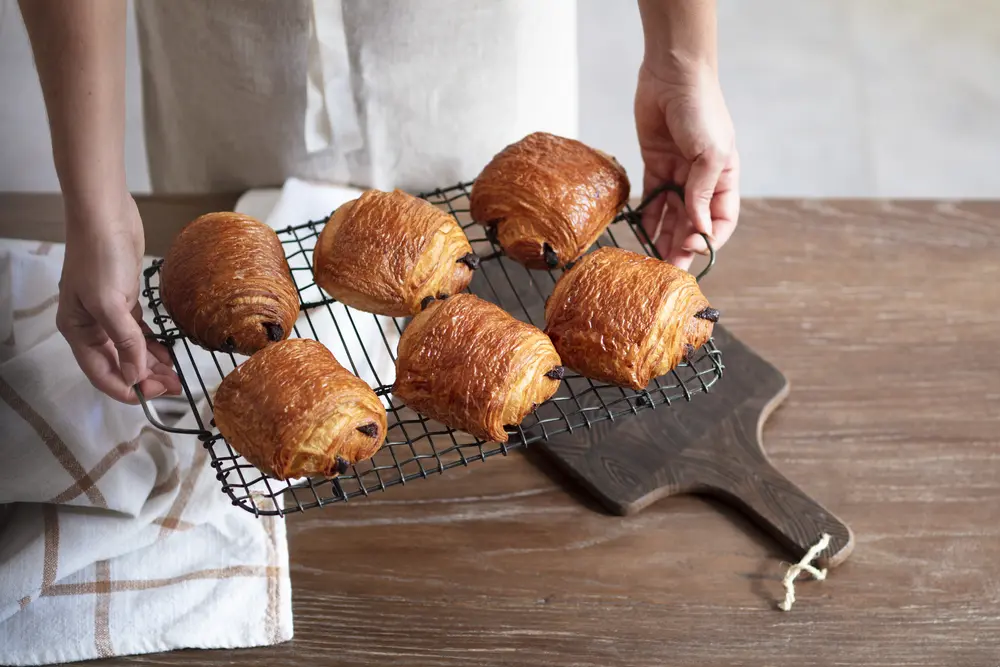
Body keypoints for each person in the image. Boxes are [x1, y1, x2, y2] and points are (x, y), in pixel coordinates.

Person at [19, 0, 739, 405]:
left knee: (523, 276)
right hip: (231, 70)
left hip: (473, 64)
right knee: (221, 275)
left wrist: (682, 59)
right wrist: (97, 201)